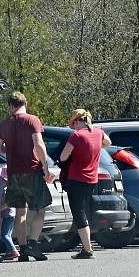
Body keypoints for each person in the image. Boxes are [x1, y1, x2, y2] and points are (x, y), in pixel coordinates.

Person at [0, 91, 53, 262]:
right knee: (40, 210)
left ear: (11, 106)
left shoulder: (4, 124)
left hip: (13, 173)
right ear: (25, 103)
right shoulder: (32, 120)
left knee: (20, 211)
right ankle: (33, 245)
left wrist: (9, 150)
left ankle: (23, 248)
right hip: (31, 171)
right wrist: (46, 168)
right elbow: (39, 144)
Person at [59, 109, 112, 259]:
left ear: (77, 121)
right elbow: (108, 143)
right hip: (92, 180)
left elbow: (63, 157)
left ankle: (87, 249)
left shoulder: (76, 135)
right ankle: (86, 246)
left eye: (73, 123)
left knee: (79, 213)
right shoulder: (98, 133)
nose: (73, 127)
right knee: (84, 211)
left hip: (76, 179)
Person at [0, 167, 19, 260]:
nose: (0, 179)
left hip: (8, 215)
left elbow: (8, 203)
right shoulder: (12, 188)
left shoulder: (7, 190)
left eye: (1, 177)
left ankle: (14, 251)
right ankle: (9, 252)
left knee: (4, 235)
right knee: (8, 234)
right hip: (11, 214)